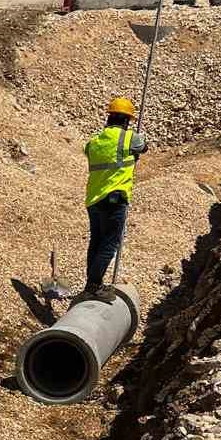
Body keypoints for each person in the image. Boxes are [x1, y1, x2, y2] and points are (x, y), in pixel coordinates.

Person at [83, 96, 147, 298]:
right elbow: (143, 147)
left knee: (97, 241)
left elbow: (92, 152)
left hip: (94, 199)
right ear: (127, 120)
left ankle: (91, 284)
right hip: (115, 198)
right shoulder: (130, 138)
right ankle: (93, 286)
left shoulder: (94, 142)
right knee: (110, 243)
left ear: (109, 117)